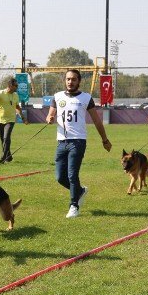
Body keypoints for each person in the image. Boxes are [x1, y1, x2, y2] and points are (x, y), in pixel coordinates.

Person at [46, 69, 111, 219]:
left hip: (78, 141)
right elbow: (50, 114)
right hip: (61, 142)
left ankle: (74, 205)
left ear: (79, 81)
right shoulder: (57, 97)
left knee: (72, 175)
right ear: (65, 80)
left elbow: (96, 120)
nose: (70, 82)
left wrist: (105, 140)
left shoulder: (86, 98)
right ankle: (80, 191)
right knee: (59, 177)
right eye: (68, 79)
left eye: (74, 79)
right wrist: (49, 118)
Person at [0, 77, 28, 163]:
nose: (17, 87)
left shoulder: (15, 95)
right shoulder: (1, 93)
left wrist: (23, 117)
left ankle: (3, 156)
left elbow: (17, 107)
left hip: (10, 120)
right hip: (0, 119)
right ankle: (9, 157)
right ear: (10, 86)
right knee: (3, 139)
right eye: (15, 86)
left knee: (6, 138)